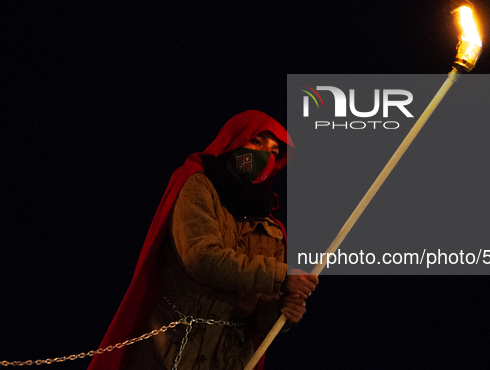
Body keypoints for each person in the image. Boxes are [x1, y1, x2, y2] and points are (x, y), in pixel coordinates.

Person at [88, 110, 318, 370]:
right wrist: (281, 276)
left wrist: (285, 311)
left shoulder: (271, 229)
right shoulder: (199, 185)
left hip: (227, 361)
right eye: (257, 142)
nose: (266, 155)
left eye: (275, 152)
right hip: (170, 353)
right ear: (234, 140)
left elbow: (259, 317)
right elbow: (202, 257)